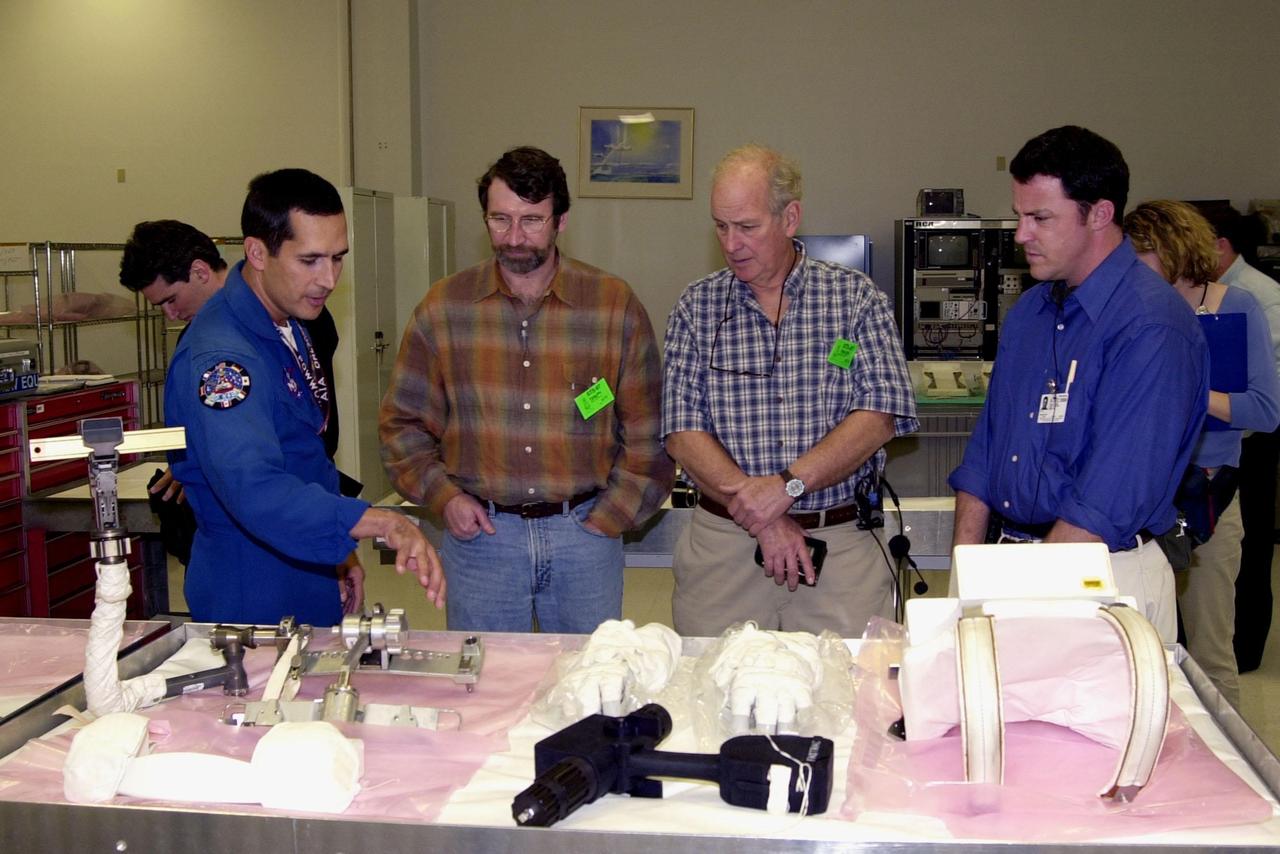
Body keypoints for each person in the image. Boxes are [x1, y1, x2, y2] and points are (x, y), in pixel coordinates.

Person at [379, 146, 672, 633]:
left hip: (584, 534)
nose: (514, 238)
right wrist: (444, 497)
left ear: (561, 221)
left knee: (588, 684)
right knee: (488, 686)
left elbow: (648, 427)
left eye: (532, 221)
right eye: (500, 220)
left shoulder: (611, 306)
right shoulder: (444, 308)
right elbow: (402, 425)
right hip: (483, 540)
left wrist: (614, 514)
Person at [948, 126, 1210, 643]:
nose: (1021, 234)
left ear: (1100, 214)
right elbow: (984, 458)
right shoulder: (1031, 313)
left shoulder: (1151, 328)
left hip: (1101, 580)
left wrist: (1020, 603)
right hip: (1015, 568)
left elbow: (1105, 502)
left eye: (1040, 217)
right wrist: (965, 582)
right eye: (1020, 215)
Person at [166, 169, 444, 626]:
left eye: (338, 258)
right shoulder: (222, 358)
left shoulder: (287, 320)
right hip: (253, 589)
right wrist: (380, 521)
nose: (329, 279)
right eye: (311, 260)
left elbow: (304, 453)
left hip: (304, 563)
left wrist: (336, 554)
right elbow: (253, 487)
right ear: (257, 252)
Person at [661, 144, 918, 637]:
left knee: (847, 694)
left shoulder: (854, 299)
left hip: (838, 547)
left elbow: (880, 413)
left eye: (747, 226)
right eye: (720, 226)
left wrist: (786, 488)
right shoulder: (697, 306)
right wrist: (763, 516)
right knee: (713, 693)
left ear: (790, 217)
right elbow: (681, 430)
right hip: (725, 550)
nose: (731, 243)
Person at [120, 220, 362, 610]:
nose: (169, 314)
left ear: (200, 271)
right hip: (252, 556)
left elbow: (310, 439)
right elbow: (243, 470)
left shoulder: (297, 321)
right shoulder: (212, 348)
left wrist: (340, 541)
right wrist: (204, 455)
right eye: (311, 260)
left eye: (170, 299)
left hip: (299, 525)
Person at [1125, 200, 1280, 705]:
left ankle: (1229, 773)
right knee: (1138, 650)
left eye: (1140, 253)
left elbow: (1264, 410)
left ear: (1171, 251)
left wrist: (1189, 394)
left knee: (1212, 655)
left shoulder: (1237, 306)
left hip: (1209, 496)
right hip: (1138, 499)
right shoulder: (1129, 310)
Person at [1200, 206, 1280, 673]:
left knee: (1247, 551)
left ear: (1220, 244)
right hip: (1218, 438)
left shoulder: (1256, 297)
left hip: (1248, 440)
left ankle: (1245, 649)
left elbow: (1266, 392)